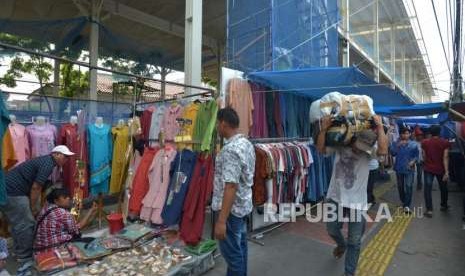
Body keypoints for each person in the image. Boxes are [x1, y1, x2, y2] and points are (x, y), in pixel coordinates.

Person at [317, 115, 388, 276]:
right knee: (332, 230)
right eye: (358, 146)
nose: (359, 150)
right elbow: (320, 149)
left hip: (358, 202)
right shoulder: (340, 144)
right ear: (353, 138)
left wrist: (380, 126)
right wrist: (323, 128)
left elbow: (384, 150)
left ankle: (349, 273)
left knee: (355, 241)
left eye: (364, 148)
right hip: (336, 197)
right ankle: (341, 245)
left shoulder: (369, 152)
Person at [0, 145, 74, 275]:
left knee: (17, 222)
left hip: (7, 190)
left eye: (68, 157)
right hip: (13, 192)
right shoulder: (48, 163)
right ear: (56, 154)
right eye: (65, 156)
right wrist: (33, 207)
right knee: (26, 223)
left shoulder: (45, 161)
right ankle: (25, 257)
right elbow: (36, 187)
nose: (66, 160)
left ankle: (19, 252)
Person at [212, 107, 256, 276]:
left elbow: (231, 186)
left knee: (233, 255)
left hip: (231, 211)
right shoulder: (246, 143)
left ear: (223, 124)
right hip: (242, 206)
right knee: (240, 249)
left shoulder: (230, 150)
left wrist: (221, 221)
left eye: (218, 124)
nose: (217, 127)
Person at [33, 188, 97, 252]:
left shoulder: (45, 208)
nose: (68, 198)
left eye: (68, 197)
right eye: (64, 197)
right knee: (92, 241)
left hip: (39, 248)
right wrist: (91, 211)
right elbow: (77, 229)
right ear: (56, 201)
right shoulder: (62, 212)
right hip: (53, 247)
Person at [422, 125, 450, 218]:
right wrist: (446, 172)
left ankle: (429, 210)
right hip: (441, 169)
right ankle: (444, 205)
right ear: (440, 132)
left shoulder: (425, 142)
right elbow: (445, 157)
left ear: (430, 132)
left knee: (427, 189)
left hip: (428, 168)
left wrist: (427, 162)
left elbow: (424, 156)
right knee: (443, 188)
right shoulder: (445, 142)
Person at [390, 127, 419, 214]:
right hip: (399, 168)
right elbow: (393, 153)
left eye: (407, 133)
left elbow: (416, 156)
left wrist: (413, 161)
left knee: (409, 186)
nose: (406, 135)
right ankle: (404, 201)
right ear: (401, 134)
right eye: (404, 133)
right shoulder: (395, 143)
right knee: (400, 187)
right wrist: (398, 146)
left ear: (410, 134)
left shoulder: (414, 144)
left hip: (409, 169)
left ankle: (406, 205)